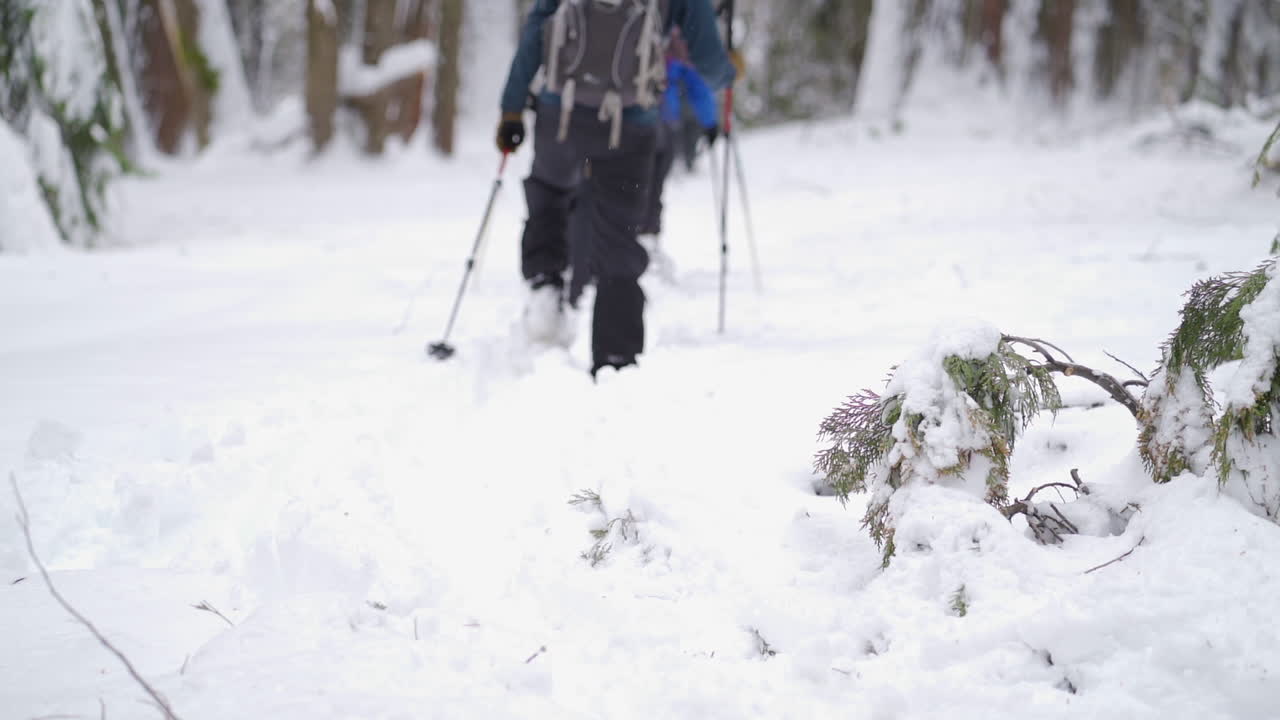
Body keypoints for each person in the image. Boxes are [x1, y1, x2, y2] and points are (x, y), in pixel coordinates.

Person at [496, 0, 737, 379]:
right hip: (630, 121)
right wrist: (728, 71)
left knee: (550, 194)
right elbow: (707, 62)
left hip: (560, 111)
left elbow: (536, 32)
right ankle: (615, 357)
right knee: (619, 231)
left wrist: (512, 108)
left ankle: (545, 284)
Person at [637, 28, 720, 278]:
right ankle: (645, 244)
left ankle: (637, 246)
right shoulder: (676, 29)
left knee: (637, 187)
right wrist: (710, 122)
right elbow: (694, 80)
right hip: (660, 121)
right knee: (651, 188)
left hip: (631, 122)